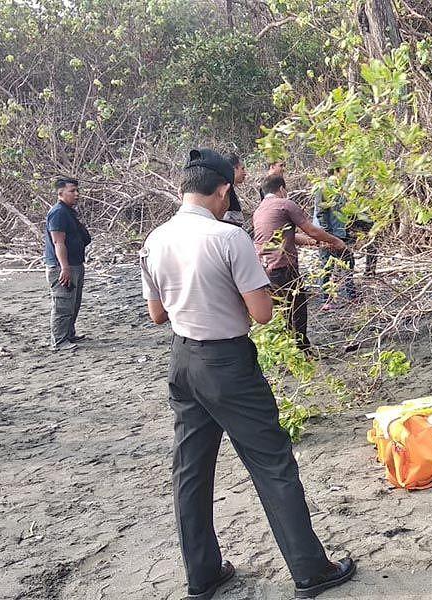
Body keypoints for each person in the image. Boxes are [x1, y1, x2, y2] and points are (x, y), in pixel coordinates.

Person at [139, 149, 356, 600]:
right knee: (273, 462)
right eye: (228, 194)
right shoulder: (228, 238)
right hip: (228, 363)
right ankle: (310, 571)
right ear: (221, 190)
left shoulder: (155, 239)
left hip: (183, 362)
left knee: (191, 472)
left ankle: (203, 575)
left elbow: (157, 314)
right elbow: (261, 314)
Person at [253, 174, 346, 349]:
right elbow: (311, 229)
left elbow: (292, 236)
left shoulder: (259, 210)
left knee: (281, 310)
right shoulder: (285, 204)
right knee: (298, 309)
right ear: (281, 189)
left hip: (264, 267)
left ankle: (288, 349)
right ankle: (302, 349)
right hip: (283, 266)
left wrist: (319, 243)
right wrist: (336, 241)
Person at [44, 177, 91, 351]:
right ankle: (59, 340)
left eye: (77, 190)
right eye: (72, 191)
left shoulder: (68, 211)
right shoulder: (58, 212)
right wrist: (64, 267)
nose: (77, 194)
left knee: (73, 302)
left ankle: (69, 334)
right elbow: (58, 242)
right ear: (61, 193)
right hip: (63, 266)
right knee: (63, 303)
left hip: (75, 263)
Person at [313, 169, 357, 308]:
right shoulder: (324, 188)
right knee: (327, 266)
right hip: (329, 235)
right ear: (337, 171)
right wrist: (328, 236)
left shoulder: (343, 189)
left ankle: (351, 295)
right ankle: (325, 299)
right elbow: (321, 213)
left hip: (342, 234)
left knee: (348, 263)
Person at [222, 153, 246, 227]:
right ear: (233, 169)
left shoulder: (229, 189)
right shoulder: (225, 190)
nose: (245, 173)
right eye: (242, 169)